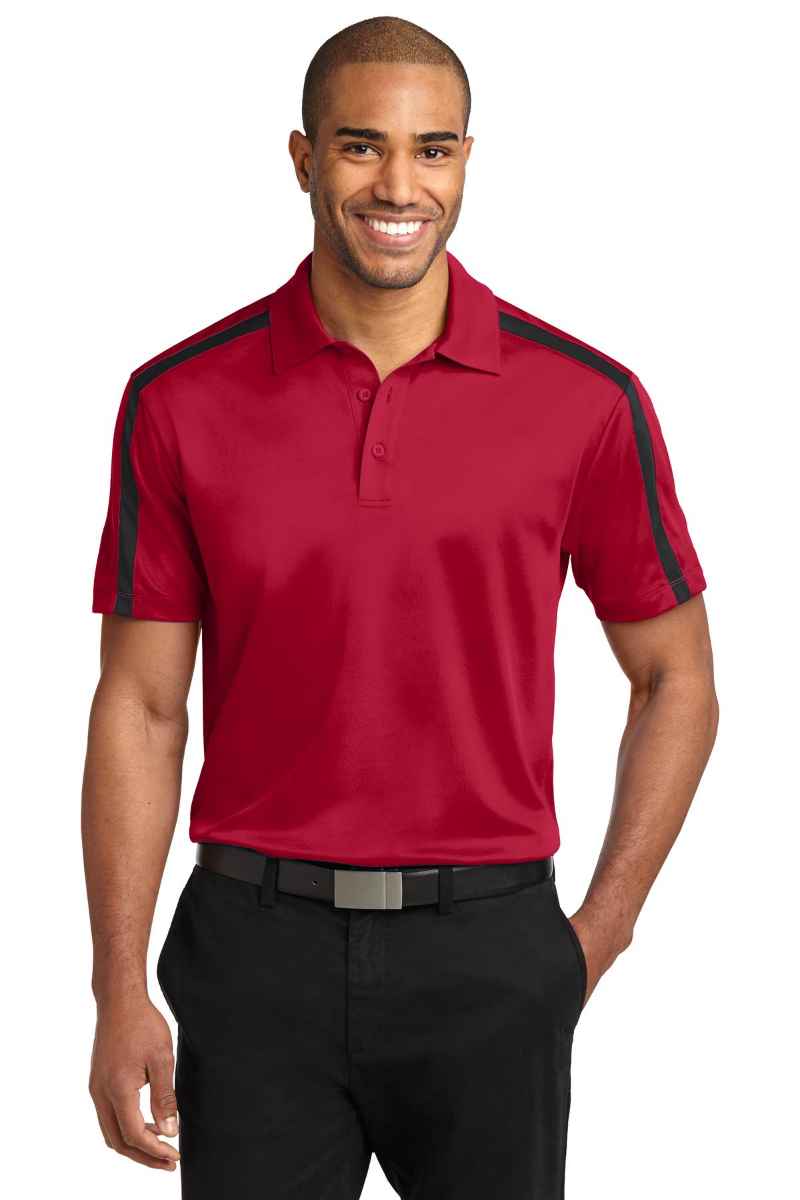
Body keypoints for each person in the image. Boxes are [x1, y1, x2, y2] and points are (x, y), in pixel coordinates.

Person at [82, 15, 719, 1199]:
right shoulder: (178, 398)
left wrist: (596, 934)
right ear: (302, 158)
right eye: (360, 145)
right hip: (250, 947)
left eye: (431, 150)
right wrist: (117, 983)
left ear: (466, 160)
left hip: (491, 947)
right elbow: (141, 705)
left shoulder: (586, 400)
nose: (397, 186)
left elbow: (674, 677)